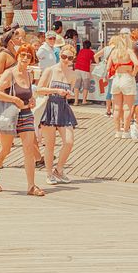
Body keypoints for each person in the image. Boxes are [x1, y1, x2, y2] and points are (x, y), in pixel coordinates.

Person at [0, 43, 44, 196]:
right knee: (5, 149)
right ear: (17, 56)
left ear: (32, 59)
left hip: (26, 114)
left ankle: (31, 186)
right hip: (10, 116)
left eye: (28, 56)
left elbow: (26, 93)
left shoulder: (29, 74)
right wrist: (14, 99)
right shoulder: (9, 73)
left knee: (28, 150)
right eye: (22, 55)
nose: (25, 58)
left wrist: (31, 99)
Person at [37, 44, 78, 184]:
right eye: (63, 56)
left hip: (63, 106)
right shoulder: (50, 70)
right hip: (50, 106)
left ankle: (59, 170)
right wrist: (54, 90)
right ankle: (49, 173)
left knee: (69, 141)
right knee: (50, 144)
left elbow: (70, 94)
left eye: (69, 58)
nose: (66, 60)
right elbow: (39, 89)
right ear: (59, 56)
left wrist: (69, 94)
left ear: (73, 59)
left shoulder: (73, 75)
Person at [107, 34, 138, 139]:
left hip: (116, 78)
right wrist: (133, 73)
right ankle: (126, 131)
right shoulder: (129, 51)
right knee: (127, 108)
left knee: (116, 108)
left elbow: (108, 67)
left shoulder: (114, 52)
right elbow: (137, 64)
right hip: (127, 79)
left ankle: (117, 131)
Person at [73, 39, 94, 104]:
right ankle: (84, 101)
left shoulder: (81, 51)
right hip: (85, 69)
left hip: (77, 68)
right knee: (86, 85)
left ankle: (76, 101)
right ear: (90, 46)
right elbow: (94, 60)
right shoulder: (91, 52)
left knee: (77, 85)